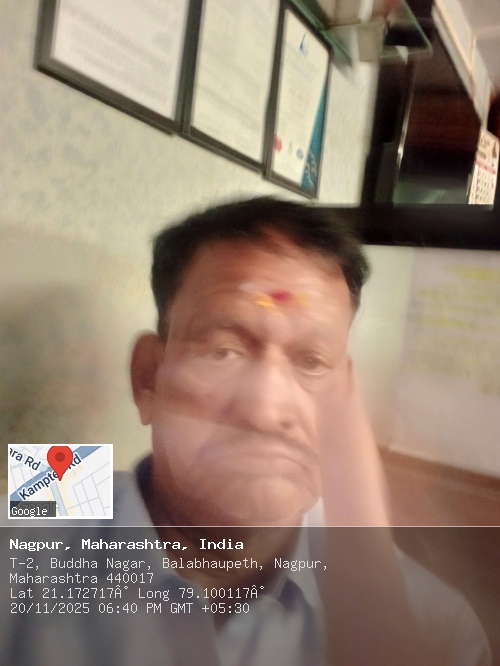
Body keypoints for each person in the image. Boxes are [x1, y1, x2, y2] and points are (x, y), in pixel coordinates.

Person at [1, 198, 491, 666]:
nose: (265, 410)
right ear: (148, 377)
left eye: (311, 361)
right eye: (222, 351)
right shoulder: (38, 514)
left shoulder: (436, 631)